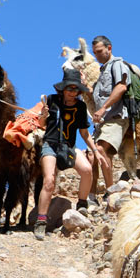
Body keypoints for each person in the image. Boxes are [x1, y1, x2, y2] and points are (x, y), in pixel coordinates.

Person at [35, 68, 99, 241]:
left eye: (76, 89)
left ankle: (82, 204)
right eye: (70, 89)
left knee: (86, 170)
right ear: (62, 89)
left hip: (69, 147)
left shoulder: (80, 106)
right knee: (49, 181)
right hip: (51, 145)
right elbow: (41, 123)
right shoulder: (52, 100)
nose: (73, 92)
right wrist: (43, 115)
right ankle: (41, 221)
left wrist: (95, 151)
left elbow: (84, 133)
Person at [89, 35, 134, 191]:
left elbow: (121, 87)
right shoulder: (102, 71)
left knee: (101, 149)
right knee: (91, 155)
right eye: (95, 52)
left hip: (115, 117)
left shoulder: (118, 64)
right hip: (102, 121)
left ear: (109, 48)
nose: (97, 55)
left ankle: (110, 192)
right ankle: (91, 196)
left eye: (100, 51)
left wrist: (102, 109)